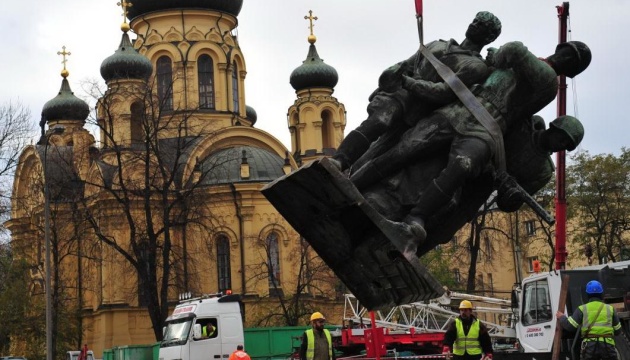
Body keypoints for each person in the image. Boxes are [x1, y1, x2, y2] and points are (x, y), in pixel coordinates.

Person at [350, 40, 591, 256]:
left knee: (462, 165)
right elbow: (509, 57)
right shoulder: (527, 125)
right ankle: (354, 185)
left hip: (487, 128)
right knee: (406, 149)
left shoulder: (548, 83)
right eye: (566, 53)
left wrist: (511, 196)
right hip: (461, 109)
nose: (560, 143)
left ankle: (415, 221)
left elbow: (515, 49)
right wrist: (497, 60)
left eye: (571, 62)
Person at [330, 11, 502, 172]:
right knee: (380, 120)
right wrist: (391, 76)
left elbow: (444, 92)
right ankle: (339, 160)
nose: (474, 25)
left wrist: (406, 81)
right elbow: (408, 64)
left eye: (481, 25)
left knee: (374, 155)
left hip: (419, 114)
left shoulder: (475, 66)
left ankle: (347, 180)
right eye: (475, 21)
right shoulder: (438, 44)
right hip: (400, 95)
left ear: (489, 37)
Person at [556, 280, 622, 360]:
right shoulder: (610, 309)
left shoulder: (582, 309)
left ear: (587, 294)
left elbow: (570, 326)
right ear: (601, 293)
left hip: (590, 347)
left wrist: (562, 317)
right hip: (607, 345)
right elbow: (618, 331)